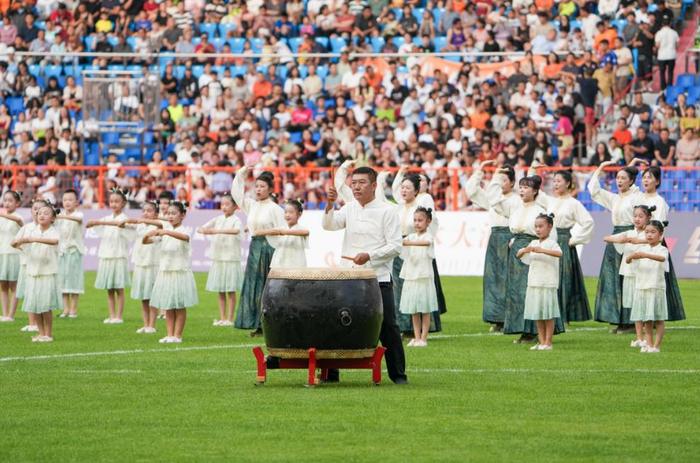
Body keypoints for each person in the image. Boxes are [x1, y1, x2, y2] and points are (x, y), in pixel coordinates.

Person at [323, 167, 407, 384]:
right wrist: (330, 204)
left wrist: (369, 256)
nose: (356, 187)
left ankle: (398, 375)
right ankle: (331, 373)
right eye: (354, 183)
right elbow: (329, 225)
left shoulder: (387, 211)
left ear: (373, 186)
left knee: (388, 326)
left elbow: (396, 246)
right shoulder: (349, 207)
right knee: (336, 322)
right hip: (348, 276)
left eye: (361, 182)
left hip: (376, 277)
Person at [489, 172, 565, 343]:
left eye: (526, 188)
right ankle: (520, 328)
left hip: (532, 252)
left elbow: (548, 235)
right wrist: (496, 177)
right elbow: (493, 200)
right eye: (521, 187)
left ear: (535, 191)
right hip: (516, 252)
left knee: (530, 292)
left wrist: (536, 248)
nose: (522, 191)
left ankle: (533, 331)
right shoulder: (515, 207)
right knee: (515, 292)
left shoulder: (540, 211)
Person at [531, 168, 594, 323]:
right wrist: (534, 170)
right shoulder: (550, 201)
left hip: (564, 240)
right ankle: (551, 312)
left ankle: (564, 315)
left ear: (568, 183)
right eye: (554, 181)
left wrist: (573, 240)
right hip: (549, 240)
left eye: (559, 181)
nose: (556, 184)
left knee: (564, 278)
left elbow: (588, 222)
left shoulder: (574, 204)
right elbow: (534, 193)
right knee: (549, 276)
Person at [462, 161, 518, 332]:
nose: (500, 183)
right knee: (493, 280)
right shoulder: (492, 198)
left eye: (504, 180)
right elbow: (471, 191)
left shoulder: (517, 199)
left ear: (513, 183)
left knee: (510, 279)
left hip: (510, 238)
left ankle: (511, 318)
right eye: (498, 179)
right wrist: (480, 171)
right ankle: (496, 318)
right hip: (495, 239)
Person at [587, 161, 642, 332]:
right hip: (616, 238)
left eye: (623, 178)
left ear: (631, 181)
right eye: (617, 178)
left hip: (630, 237)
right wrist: (601, 167)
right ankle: (619, 318)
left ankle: (632, 321)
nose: (619, 181)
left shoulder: (637, 198)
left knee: (630, 279)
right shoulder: (615, 198)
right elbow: (594, 190)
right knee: (614, 280)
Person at [231, 167, 285, 336]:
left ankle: (270, 326)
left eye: (262, 186)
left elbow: (283, 230)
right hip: (255, 248)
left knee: (267, 289)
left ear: (270, 189)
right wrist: (241, 173)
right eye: (257, 186)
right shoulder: (251, 205)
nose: (258, 189)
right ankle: (257, 324)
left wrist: (267, 234)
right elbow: (236, 194)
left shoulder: (275, 208)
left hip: (270, 248)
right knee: (254, 287)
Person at [635, 165, 685, 322]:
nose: (645, 180)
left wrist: (645, 238)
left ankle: (656, 318)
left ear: (657, 181)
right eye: (644, 177)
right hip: (639, 244)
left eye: (649, 177)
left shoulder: (660, 202)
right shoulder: (638, 198)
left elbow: (659, 226)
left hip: (654, 246)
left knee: (656, 284)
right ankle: (641, 319)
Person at [146, 201, 198, 344]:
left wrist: (165, 231)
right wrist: (149, 234)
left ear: (182, 215)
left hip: (179, 271)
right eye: (168, 213)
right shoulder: (164, 231)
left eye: (174, 213)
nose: (170, 216)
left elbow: (185, 238)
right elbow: (146, 241)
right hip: (166, 271)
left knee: (179, 305)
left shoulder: (184, 230)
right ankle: (169, 334)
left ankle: (178, 335)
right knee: (168, 304)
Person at [604, 205, 654, 348]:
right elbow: (606, 238)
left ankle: (647, 337)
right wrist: (620, 240)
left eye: (641, 216)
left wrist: (637, 241)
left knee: (644, 306)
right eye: (635, 216)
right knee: (635, 307)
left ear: (648, 218)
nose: (637, 219)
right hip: (630, 273)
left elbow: (656, 240)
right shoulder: (629, 233)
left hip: (644, 275)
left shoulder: (650, 233)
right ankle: (639, 337)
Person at [11, 203, 60, 342]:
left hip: (47, 273)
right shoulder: (31, 230)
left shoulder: (53, 231)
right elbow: (15, 244)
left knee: (45, 306)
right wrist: (17, 242)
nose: (42, 215)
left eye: (46, 213)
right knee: (35, 304)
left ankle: (48, 334)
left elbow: (55, 241)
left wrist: (32, 239)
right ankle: (41, 332)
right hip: (32, 272)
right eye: (39, 213)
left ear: (53, 218)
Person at [86, 188, 135, 324]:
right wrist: (93, 223)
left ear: (123, 203)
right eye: (112, 201)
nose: (113, 204)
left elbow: (129, 231)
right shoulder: (106, 218)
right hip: (106, 255)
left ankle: (119, 316)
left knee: (119, 288)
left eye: (117, 201)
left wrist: (99, 222)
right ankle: (111, 315)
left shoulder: (125, 218)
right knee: (109, 289)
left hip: (118, 256)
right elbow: (95, 227)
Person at [517, 213, 562, 351]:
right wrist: (526, 249)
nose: (538, 229)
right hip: (534, 282)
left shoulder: (552, 243)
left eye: (541, 226)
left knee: (547, 313)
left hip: (547, 282)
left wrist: (542, 250)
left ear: (549, 227)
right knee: (537, 313)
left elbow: (559, 253)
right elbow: (519, 255)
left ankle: (548, 342)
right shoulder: (534, 242)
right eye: (536, 227)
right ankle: (541, 341)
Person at [198, 194, 243, 327]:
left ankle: (230, 318)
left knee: (230, 289)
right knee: (221, 290)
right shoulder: (218, 218)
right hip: (219, 257)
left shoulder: (236, 220)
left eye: (227, 204)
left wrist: (217, 231)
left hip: (230, 258)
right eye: (222, 204)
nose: (224, 207)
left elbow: (236, 231)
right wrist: (207, 231)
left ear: (235, 206)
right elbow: (201, 228)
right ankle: (222, 318)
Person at [627, 221, 669, 353]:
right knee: (647, 319)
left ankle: (656, 346)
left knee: (658, 319)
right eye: (647, 232)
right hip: (642, 286)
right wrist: (631, 257)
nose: (649, 235)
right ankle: (649, 344)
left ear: (660, 234)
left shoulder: (662, 249)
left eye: (653, 232)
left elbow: (662, 258)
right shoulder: (642, 249)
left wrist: (644, 255)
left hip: (655, 287)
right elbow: (629, 261)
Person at [400, 207, 438, 347]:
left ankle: (424, 338)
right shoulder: (411, 236)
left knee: (425, 309)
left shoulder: (428, 236)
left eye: (420, 220)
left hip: (423, 276)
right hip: (412, 276)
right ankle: (416, 338)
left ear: (428, 222)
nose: (417, 223)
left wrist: (407, 242)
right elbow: (401, 243)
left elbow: (426, 243)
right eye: (415, 220)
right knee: (414, 309)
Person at [126, 201, 163, 334]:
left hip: (152, 264)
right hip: (140, 263)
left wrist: (139, 220)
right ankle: (146, 324)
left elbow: (160, 224)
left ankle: (152, 325)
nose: (146, 213)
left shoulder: (159, 226)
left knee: (152, 295)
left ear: (156, 214)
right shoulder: (140, 226)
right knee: (143, 296)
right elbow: (127, 226)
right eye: (144, 210)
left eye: (149, 211)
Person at [55, 189, 84, 319]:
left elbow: (77, 220)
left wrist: (60, 216)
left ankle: (73, 309)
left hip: (74, 251)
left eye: (70, 200)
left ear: (76, 202)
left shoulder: (79, 214)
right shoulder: (59, 216)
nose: (67, 202)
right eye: (65, 199)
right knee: (62, 280)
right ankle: (65, 309)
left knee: (74, 280)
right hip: (62, 252)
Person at [0, 191, 23, 322]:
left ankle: (11, 315)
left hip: (14, 255)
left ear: (17, 203)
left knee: (14, 286)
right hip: (2, 254)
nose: (7, 203)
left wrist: (3, 215)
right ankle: (5, 314)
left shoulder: (18, 216)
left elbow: (19, 221)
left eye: (10, 201)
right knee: (3, 286)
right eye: (5, 200)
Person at [266, 199, 309, 268]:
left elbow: (306, 232)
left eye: (291, 212)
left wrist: (285, 232)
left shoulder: (301, 229)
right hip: (280, 264)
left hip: (296, 264)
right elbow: (267, 232)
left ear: (299, 214)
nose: (287, 215)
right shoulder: (281, 228)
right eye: (285, 212)